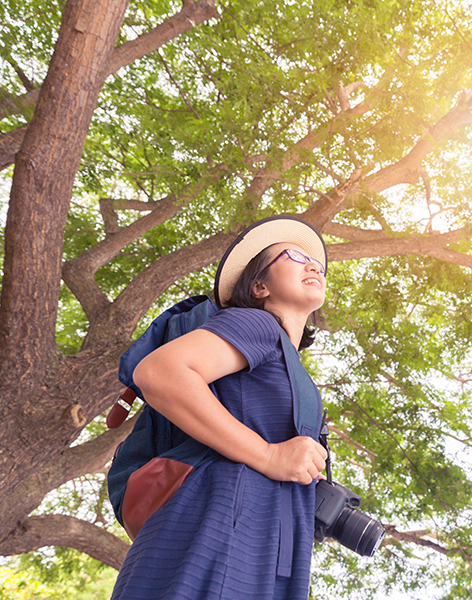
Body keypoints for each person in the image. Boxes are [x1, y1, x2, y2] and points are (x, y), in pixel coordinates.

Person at [111, 215, 330, 600]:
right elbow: (161, 372)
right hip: (221, 532)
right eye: (294, 255)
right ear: (259, 286)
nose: (313, 264)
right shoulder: (258, 326)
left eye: (317, 263)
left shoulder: (293, 370)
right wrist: (267, 454)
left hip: (257, 547)